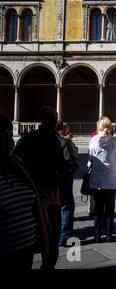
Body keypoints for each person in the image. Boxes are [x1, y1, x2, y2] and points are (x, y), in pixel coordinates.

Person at [14, 106, 65, 269]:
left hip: (46, 192)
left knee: (48, 237)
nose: (55, 122)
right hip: (40, 193)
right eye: (53, 119)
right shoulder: (36, 139)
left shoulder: (40, 139)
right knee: (42, 238)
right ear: (45, 120)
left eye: (56, 118)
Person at [0, 115, 49, 269]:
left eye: (9, 134)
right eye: (4, 135)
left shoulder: (16, 165)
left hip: (26, 250)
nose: (10, 140)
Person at [88, 116, 116, 243]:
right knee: (110, 209)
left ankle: (97, 235)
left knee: (98, 209)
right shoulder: (114, 142)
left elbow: (90, 160)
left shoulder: (92, 140)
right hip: (111, 179)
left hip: (96, 180)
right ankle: (109, 235)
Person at [56, 121, 79, 247]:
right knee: (67, 206)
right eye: (67, 128)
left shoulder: (46, 140)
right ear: (63, 129)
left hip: (48, 181)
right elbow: (73, 158)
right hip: (63, 179)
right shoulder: (64, 142)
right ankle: (64, 237)